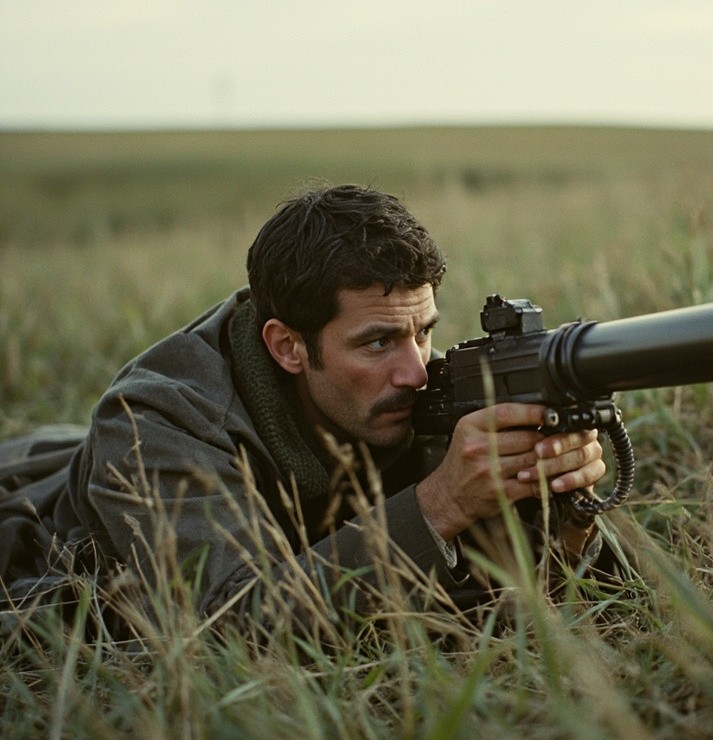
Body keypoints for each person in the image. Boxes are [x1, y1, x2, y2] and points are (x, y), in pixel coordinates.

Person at [0, 185, 609, 630]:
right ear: (288, 347)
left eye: (422, 331)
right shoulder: (156, 425)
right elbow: (234, 625)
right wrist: (443, 501)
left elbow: (528, 595)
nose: (416, 369)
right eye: (377, 342)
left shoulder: (416, 387)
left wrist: (564, 502)